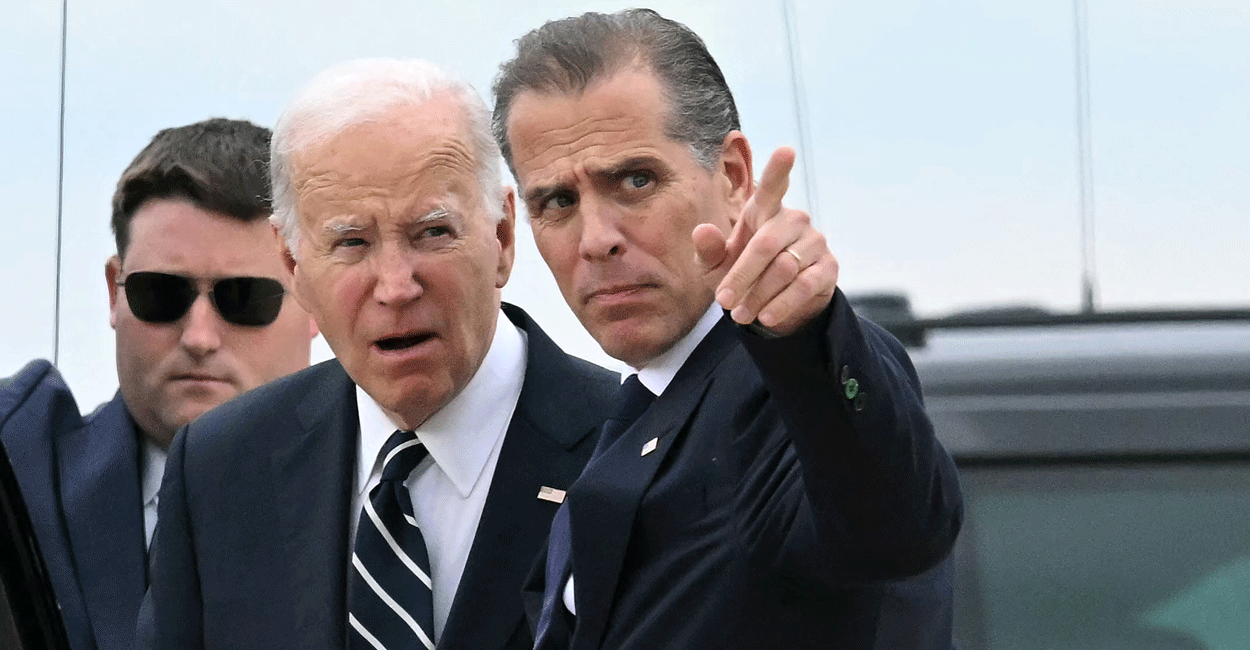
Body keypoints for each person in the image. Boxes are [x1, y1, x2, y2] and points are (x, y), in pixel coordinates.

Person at [491, 9, 964, 649]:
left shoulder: (788, 380)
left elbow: (896, 528)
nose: (597, 239)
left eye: (635, 180)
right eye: (559, 202)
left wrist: (805, 334)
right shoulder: (625, 417)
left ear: (734, 176)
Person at [135, 58, 617, 650]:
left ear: (502, 237)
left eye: (432, 233)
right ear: (293, 267)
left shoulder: (627, 449)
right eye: (351, 243)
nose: (395, 286)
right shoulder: (220, 468)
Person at [0, 118, 318, 650]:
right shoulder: (18, 472)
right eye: (161, 294)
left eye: (244, 298)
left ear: (317, 297)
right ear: (113, 292)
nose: (199, 336)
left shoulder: (388, 506)